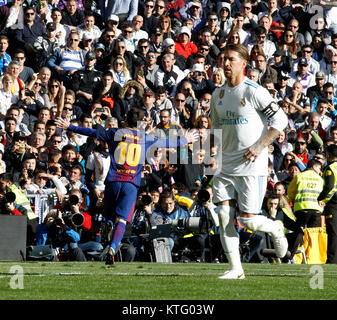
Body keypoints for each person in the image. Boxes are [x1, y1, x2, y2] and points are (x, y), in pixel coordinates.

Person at [55, 107, 198, 264]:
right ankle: (113, 247)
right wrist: (186, 139)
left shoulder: (115, 133)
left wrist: (69, 126)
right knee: (122, 220)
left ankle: (108, 230)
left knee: (109, 216)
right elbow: (165, 142)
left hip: (114, 181)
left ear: (125, 119)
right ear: (141, 123)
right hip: (130, 184)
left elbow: (92, 132)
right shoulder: (145, 137)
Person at [210, 44, 288, 279]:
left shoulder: (254, 91)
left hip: (251, 164)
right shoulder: (218, 94)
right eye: (223, 59)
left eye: (231, 59)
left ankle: (275, 227)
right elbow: (215, 129)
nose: (225, 63)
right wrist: (212, 155)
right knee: (223, 215)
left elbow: (281, 120)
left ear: (244, 63)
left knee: (248, 221)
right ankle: (236, 268)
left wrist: (259, 145)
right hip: (226, 164)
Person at [318, 144, 337, 263]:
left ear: (328, 155)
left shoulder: (330, 168)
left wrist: (321, 199)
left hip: (333, 204)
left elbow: (330, 187)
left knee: (333, 232)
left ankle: (332, 260)